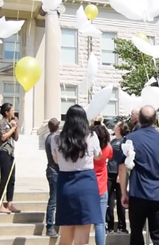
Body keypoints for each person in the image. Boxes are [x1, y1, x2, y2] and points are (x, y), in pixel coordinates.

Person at [119, 106, 159, 245]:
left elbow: (122, 168)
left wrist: (123, 193)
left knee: (137, 235)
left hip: (138, 193)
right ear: (155, 120)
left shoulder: (130, 139)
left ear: (139, 119)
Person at [51, 104, 103, 245]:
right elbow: (98, 156)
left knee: (66, 236)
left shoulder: (56, 139)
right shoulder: (91, 136)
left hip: (66, 183)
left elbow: (55, 159)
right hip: (86, 183)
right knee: (82, 237)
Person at [0, 103, 20, 213]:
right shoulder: (0, 123)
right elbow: (3, 137)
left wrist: (15, 127)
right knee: (4, 179)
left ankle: (9, 203)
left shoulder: (10, 123)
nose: (14, 112)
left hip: (11, 153)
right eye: (12, 110)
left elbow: (16, 138)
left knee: (12, 179)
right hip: (3, 153)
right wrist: (12, 128)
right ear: (6, 112)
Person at [92, 118, 113, 245]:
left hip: (89, 185)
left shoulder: (88, 148)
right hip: (102, 187)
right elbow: (110, 156)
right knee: (100, 222)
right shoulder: (108, 148)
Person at [106, 121, 130, 234]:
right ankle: (109, 225)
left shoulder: (124, 141)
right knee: (109, 200)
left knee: (121, 201)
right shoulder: (113, 140)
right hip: (110, 172)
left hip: (119, 173)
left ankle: (122, 226)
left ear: (120, 128)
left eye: (117, 124)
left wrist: (121, 176)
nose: (114, 125)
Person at [45, 118, 61, 237]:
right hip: (54, 170)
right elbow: (56, 156)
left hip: (52, 170)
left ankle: (55, 224)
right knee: (53, 200)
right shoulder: (54, 138)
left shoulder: (49, 137)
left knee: (55, 199)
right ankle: (50, 226)